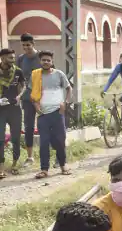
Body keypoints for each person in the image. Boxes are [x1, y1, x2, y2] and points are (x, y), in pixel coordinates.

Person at [30, 51, 71, 179]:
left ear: (52, 61)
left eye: (48, 60)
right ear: (40, 61)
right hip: (42, 114)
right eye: (43, 60)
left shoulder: (59, 74)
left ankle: (63, 165)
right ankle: (44, 169)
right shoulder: (36, 75)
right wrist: (36, 107)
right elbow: (33, 94)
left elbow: (69, 88)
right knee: (44, 142)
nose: (46, 62)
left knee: (60, 140)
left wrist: (66, 103)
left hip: (57, 113)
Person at [16, 33, 41, 167]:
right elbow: (19, 79)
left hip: (43, 97)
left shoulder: (41, 57)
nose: (26, 48)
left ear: (33, 44)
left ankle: (54, 154)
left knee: (48, 125)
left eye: (28, 45)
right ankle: (30, 157)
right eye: (24, 45)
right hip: (27, 97)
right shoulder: (20, 59)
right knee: (28, 126)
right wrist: (19, 95)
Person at [0, 48, 25, 177]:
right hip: (1, 110)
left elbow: (24, 85)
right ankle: (1, 168)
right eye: (10, 58)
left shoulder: (17, 71)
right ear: (2, 58)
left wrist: (19, 96)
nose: (13, 60)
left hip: (14, 109)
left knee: (15, 138)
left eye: (13, 57)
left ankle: (15, 164)